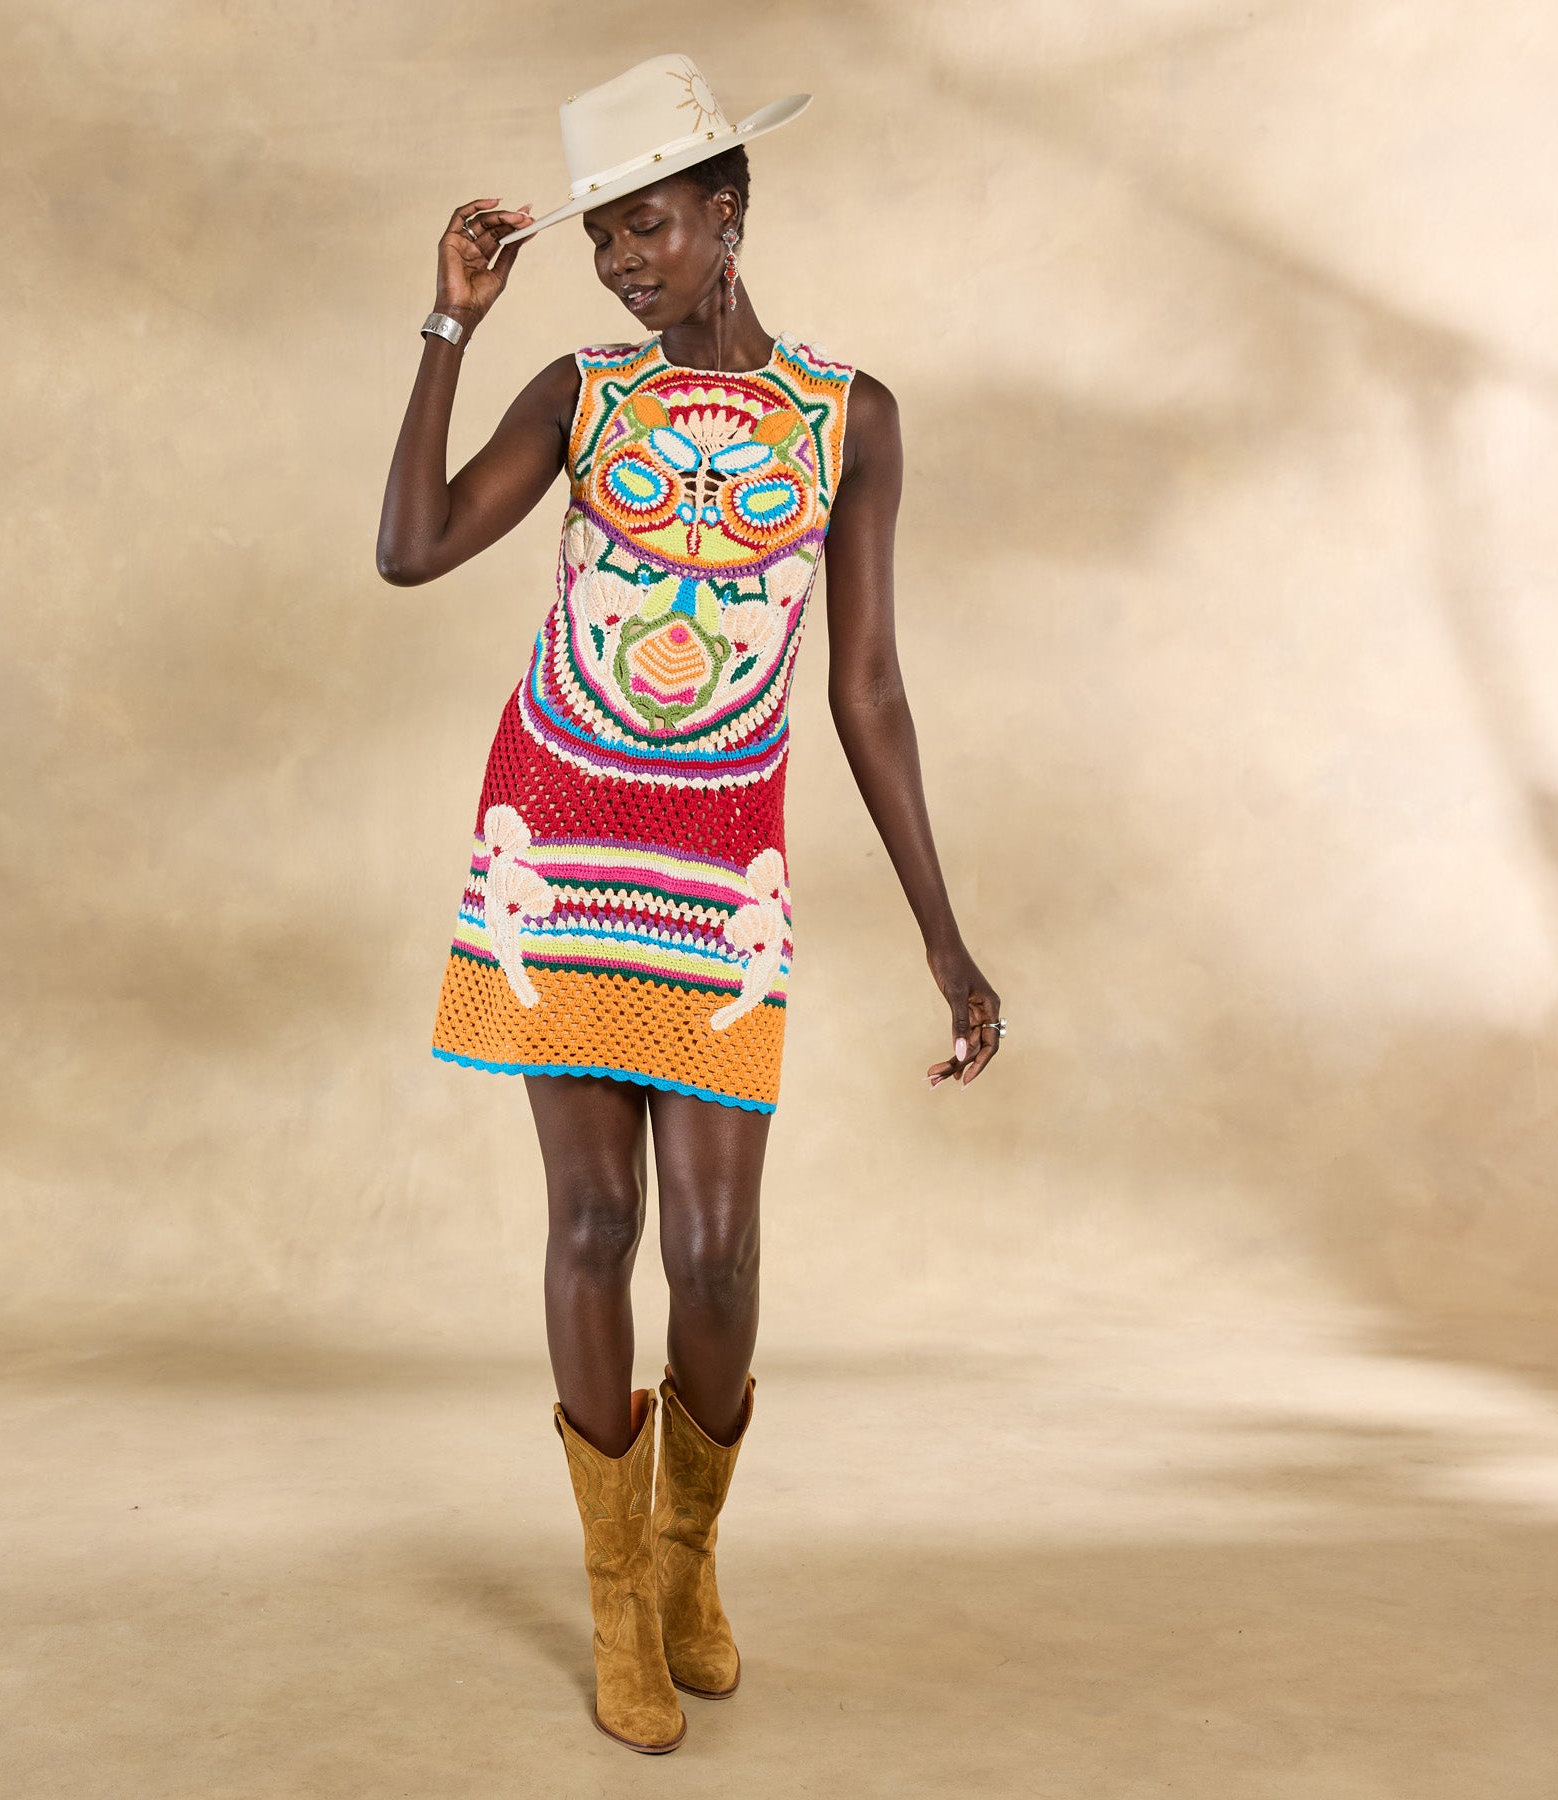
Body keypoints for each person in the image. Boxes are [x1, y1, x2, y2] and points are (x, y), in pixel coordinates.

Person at [376, 52, 1002, 1755]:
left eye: (647, 225)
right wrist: (451, 328)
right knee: (595, 1227)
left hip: (723, 870)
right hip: (559, 844)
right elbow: (412, 548)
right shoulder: (582, 396)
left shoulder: (849, 416)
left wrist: (945, 937)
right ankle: (614, 1606)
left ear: (729, 213)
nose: (621, 262)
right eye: (602, 238)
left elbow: (868, 687)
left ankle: (686, 1556)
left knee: (716, 1253)